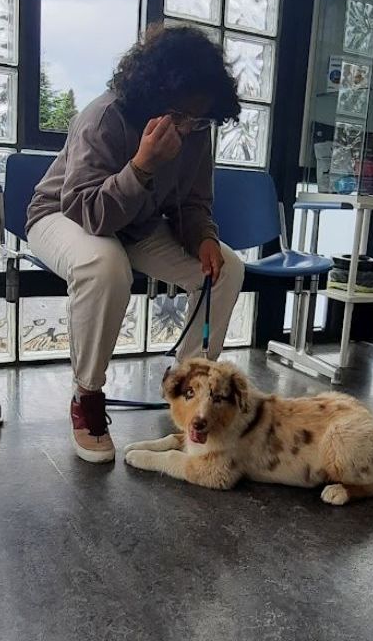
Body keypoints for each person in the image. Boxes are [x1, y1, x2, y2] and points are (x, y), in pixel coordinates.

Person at [26, 25, 245, 464]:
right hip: (63, 214)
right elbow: (90, 213)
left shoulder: (196, 128)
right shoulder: (104, 117)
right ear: (155, 92)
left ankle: (191, 387)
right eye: (180, 114)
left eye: (199, 117)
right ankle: (87, 396)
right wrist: (143, 165)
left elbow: (193, 202)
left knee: (227, 269)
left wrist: (204, 237)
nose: (188, 127)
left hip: (136, 224)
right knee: (105, 266)